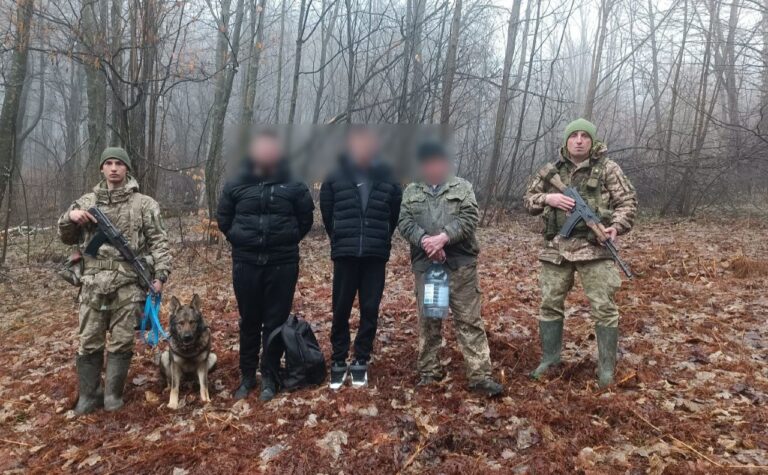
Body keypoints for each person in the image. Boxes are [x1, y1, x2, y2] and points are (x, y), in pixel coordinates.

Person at [523, 118, 638, 387]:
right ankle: (550, 359)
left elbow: (627, 203)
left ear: (592, 141)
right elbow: (528, 201)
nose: (578, 140)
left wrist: (616, 227)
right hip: (557, 249)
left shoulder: (608, 169)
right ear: (566, 141)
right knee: (549, 304)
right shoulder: (552, 171)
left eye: (584, 136)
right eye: (573, 135)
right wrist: (548, 198)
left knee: (604, 307)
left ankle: (606, 369)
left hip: (594, 249)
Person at [58, 147, 171, 415]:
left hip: (128, 284)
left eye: (119, 164)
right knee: (89, 341)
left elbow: (160, 243)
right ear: (101, 168)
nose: (113, 168)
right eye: (108, 163)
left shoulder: (144, 204)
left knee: (122, 341)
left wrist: (160, 276)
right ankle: (89, 396)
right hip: (92, 284)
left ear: (126, 168)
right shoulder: (86, 202)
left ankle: (113, 396)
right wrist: (70, 217)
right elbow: (65, 236)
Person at [398, 141, 503, 396]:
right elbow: (405, 222)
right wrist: (426, 241)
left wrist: (444, 238)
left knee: (468, 320)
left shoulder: (462, 187)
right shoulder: (411, 191)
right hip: (428, 267)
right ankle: (429, 372)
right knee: (430, 320)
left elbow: (469, 218)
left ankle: (480, 376)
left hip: (460, 266)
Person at [216, 131, 314, 401]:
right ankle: (247, 375)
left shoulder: (294, 182)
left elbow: (305, 219)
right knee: (249, 320)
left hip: (282, 263)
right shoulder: (237, 182)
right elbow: (224, 218)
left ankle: (270, 376)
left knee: (275, 322)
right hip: (246, 262)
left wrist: (287, 239)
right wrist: (240, 239)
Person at [319, 127, 402, 389]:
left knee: (370, 309)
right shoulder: (335, 175)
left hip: (375, 255)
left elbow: (394, 214)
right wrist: (340, 237)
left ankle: (361, 359)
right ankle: (339, 359)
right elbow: (327, 211)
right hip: (345, 253)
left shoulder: (389, 177)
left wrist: (380, 238)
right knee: (341, 308)